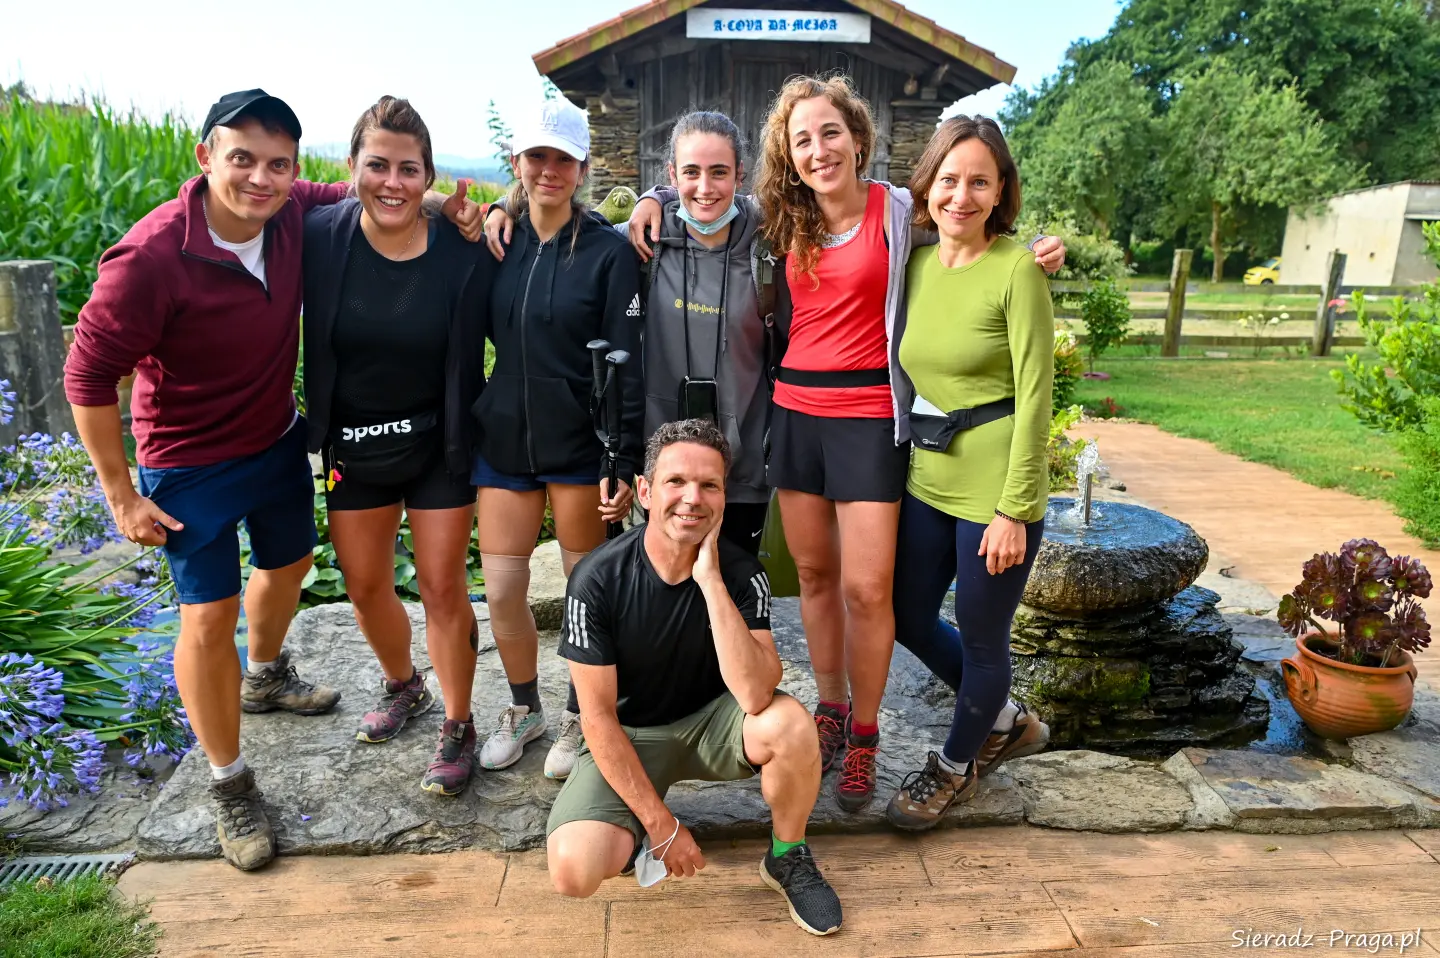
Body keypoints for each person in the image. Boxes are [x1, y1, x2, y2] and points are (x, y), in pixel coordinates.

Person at [64, 89, 481, 872]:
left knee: (289, 566)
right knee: (206, 616)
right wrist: (120, 494)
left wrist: (459, 209)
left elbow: (386, 192)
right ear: (205, 158)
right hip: (187, 459)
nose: (260, 178)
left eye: (277, 164)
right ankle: (229, 780)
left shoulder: (291, 216)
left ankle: (266, 675)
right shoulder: (152, 257)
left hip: (277, 442)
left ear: (296, 171)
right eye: (242, 159)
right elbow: (87, 375)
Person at [623, 76, 1065, 813]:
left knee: (867, 590)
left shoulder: (899, 211)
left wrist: (1035, 248)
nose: (819, 150)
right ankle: (830, 710)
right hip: (795, 414)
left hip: (868, 419)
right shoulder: (780, 217)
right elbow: (702, 192)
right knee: (815, 579)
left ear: (858, 138)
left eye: (831, 132)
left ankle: (865, 733)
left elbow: (969, 223)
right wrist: (653, 195)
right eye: (802, 139)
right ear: (788, 155)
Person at [545, 419, 843, 937]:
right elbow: (596, 719)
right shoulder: (596, 579)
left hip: (713, 724)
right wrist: (662, 826)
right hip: (629, 734)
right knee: (574, 870)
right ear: (644, 491)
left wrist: (709, 580)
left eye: (709, 485)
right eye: (676, 482)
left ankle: (787, 854)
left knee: (791, 724)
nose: (692, 498)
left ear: (724, 496)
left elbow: (756, 693)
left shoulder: (742, 572)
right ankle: (634, 823)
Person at [301, 96, 495, 796]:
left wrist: (461, 213)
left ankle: (458, 722)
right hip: (354, 444)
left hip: (440, 441)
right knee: (364, 585)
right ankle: (403, 684)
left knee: (442, 586)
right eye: (377, 165)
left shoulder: (462, 250)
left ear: (428, 175)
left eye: (409, 170)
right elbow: (233, 194)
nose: (392, 182)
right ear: (351, 166)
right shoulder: (320, 237)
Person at [486, 110, 770, 554]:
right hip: (661, 469)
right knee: (660, 589)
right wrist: (504, 207)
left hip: (742, 467)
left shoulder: (769, 245)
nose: (705, 187)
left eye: (719, 172)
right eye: (690, 172)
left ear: (740, 174)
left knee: (732, 586)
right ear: (672, 175)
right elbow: (562, 224)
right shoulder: (639, 241)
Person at [885, 116, 1054, 831]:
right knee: (907, 616)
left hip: (995, 489)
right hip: (928, 475)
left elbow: (1038, 395)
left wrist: (1015, 509)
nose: (961, 195)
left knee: (984, 639)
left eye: (979, 181)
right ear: (927, 185)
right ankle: (1007, 720)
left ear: (1000, 191)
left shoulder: (1017, 270)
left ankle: (954, 767)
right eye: (949, 179)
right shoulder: (916, 263)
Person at [469, 97, 643, 781]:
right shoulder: (496, 244)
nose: (549, 169)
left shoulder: (609, 254)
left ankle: (581, 714)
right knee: (502, 590)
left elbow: (627, 357)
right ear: (516, 161)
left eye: (562, 159)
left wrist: (622, 456)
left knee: (583, 595)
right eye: (536, 156)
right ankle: (524, 708)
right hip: (504, 441)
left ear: (582, 167)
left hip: (579, 445)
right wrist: (491, 209)